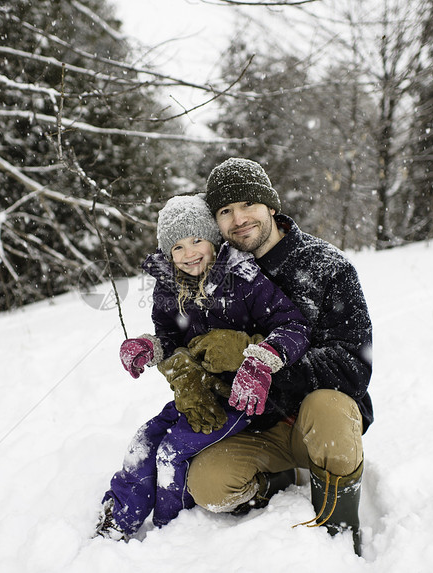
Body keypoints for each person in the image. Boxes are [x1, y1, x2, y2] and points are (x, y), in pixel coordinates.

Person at [180, 158, 373, 556]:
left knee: (331, 405)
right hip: (254, 427)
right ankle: (278, 479)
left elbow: (352, 368)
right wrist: (186, 377)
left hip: (314, 423)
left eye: (248, 204)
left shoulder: (327, 268)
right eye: (225, 211)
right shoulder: (211, 275)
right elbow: (188, 346)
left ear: (271, 205)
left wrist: (256, 357)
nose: (239, 219)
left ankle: (337, 531)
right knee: (207, 486)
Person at [94, 194, 312, 541]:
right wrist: (149, 347)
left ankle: (173, 529)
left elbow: (294, 325)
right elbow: (170, 337)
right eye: (177, 247)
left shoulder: (243, 278)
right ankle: (119, 518)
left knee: (172, 452)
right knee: (146, 439)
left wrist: (260, 359)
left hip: (243, 399)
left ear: (214, 239)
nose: (189, 253)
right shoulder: (169, 287)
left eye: (197, 240)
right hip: (199, 392)